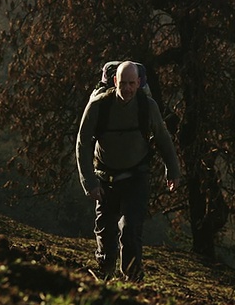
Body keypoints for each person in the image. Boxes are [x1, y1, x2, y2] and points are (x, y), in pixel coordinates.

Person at [76, 61, 180, 281]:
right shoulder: (98, 106)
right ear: (115, 82)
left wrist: (173, 171)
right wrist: (90, 183)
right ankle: (104, 274)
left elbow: (163, 138)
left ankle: (132, 280)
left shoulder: (147, 106)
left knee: (130, 228)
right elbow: (83, 143)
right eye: (123, 83)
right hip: (105, 178)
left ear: (139, 83)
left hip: (136, 177)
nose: (127, 89)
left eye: (132, 84)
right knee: (105, 231)